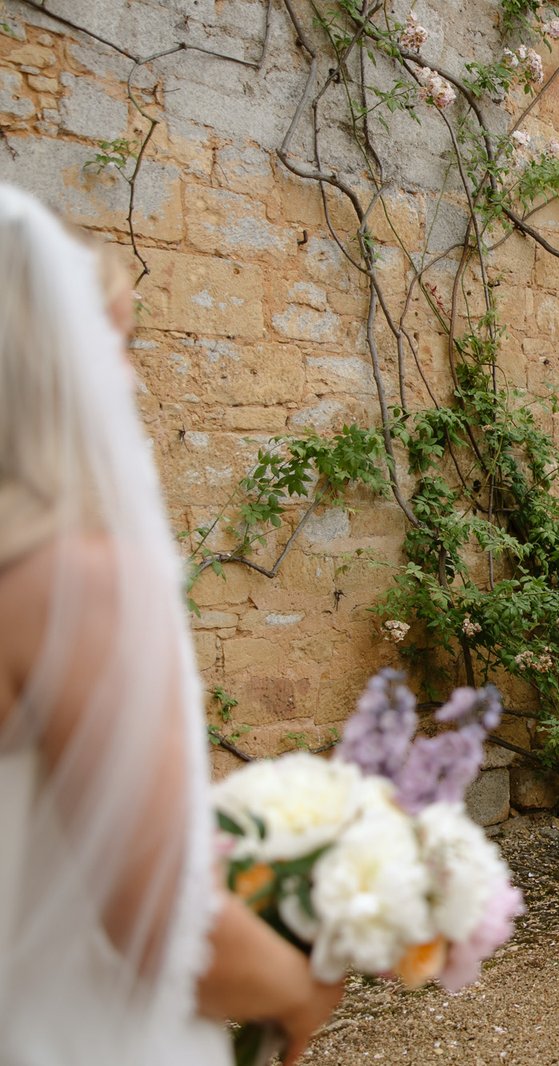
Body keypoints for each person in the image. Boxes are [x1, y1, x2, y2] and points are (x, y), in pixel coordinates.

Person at [0, 183, 342, 1064]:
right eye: (116, 342)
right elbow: (156, 919)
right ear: (40, 359)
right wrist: (301, 989)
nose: (134, 376)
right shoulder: (66, 583)